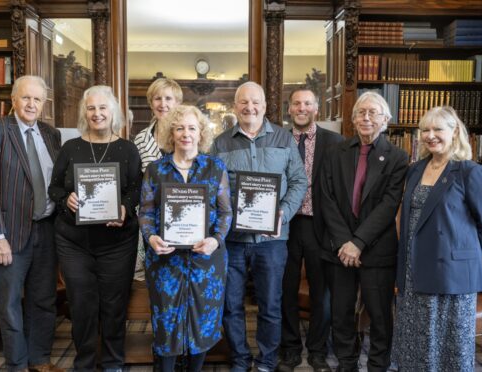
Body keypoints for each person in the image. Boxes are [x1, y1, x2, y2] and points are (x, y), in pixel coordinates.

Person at [391, 106, 482, 371]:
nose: (430, 135)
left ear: (455, 131)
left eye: (438, 129)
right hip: (413, 271)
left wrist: (461, 257)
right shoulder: (415, 169)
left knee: (448, 347)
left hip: (451, 276)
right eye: (425, 130)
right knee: (414, 342)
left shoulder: (469, 172)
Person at [211, 81, 307, 372]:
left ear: (265, 106)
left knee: (270, 304)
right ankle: (240, 359)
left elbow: (299, 181)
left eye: (255, 102)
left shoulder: (284, 138)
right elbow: (213, 188)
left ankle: (266, 361)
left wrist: (283, 214)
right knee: (231, 304)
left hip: (273, 240)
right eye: (243, 102)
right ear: (235, 106)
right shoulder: (220, 142)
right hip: (234, 239)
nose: (249, 107)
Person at [48, 85, 141, 371]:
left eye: (102, 108)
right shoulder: (70, 148)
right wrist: (68, 199)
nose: (97, 113)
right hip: (74, 242)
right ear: (84, 113)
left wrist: (124, 208)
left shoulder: (127, 148)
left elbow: (137, 189)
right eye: (91, 108)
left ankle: (113, 361)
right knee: (82, 305)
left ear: (113, 112)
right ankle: (85, 362)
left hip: (117, 242)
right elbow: (54, 189)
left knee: (114, 305)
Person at [0, 75, 63, 372]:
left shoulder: (51, 134)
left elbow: (57, 183)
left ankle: (39, 360)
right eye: (26, 98)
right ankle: (17, 364)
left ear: (43, 104)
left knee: (44, 301)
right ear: (13, 100)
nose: (31, 104)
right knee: (11, 304)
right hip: (10, 234)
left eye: (37, 99)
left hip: (47, 229)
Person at [139, 105, 232, 372]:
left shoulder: (215, 168)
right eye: (179, 128)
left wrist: (215, 240)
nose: (185, 134)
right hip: (166, 261)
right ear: (171, 132)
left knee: (202, 318)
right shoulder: (155, 170)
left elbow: (226, 211)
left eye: (192, 128)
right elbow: (145, 212)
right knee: (167, 320)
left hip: (206, 261)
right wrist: (152, 237)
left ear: (201, 132)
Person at [320, 91, 408, 372]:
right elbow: (327, 198)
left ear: (386, 119)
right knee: (341, 313)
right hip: (340, 249)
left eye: (373, 112)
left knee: (380, 315)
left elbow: (388, 205)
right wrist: (345, 242)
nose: (366, 117)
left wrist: (357, 242)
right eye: (361, 112)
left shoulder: (397, 157)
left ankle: (377, 365)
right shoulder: (336, 152)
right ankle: (346, 363)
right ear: (353, 118)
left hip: (377, 249)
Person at [278, 88, 343, 372]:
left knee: (322, 292)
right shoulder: (278, 140)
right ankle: (290, 349)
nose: (301, 108)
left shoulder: (335, 142)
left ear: (317, 108)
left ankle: (318, 351)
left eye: (307, 103)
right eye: (296, 103)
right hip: (285, 226)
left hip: (321, 226)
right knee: (285, 290)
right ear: (289, 109)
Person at [134, 77, 183, 173]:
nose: (163, 104)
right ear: (151, 104)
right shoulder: (141, 139)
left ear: (177, 103)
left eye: (168, 98)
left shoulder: (187, 135)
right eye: (157, 98)